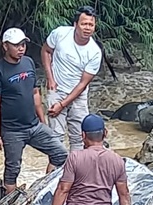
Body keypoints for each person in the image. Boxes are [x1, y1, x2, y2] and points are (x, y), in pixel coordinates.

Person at [0, 27, 68, 195]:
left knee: (61, 154)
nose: (21, 48)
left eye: (23, 44)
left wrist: (42, 121)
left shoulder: (29, 62)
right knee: (12, 170)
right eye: (16, 45)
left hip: (34, 125)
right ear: (5, 46)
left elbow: (35, 93)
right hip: (12, 131)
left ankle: (47, 191)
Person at [42, 6, 103, 151]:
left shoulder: (94, 52)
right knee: (56, 138)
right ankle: (56, 171)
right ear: (75, 25)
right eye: (84, 24)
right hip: (57, 90)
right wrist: (50, 78)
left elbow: (83, 84)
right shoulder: (60, 34)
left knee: (80, 138)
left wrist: (62, 105)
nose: (87, 28)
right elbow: (45, 50)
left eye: (91, 25)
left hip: (78, 95)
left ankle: (75, 170)